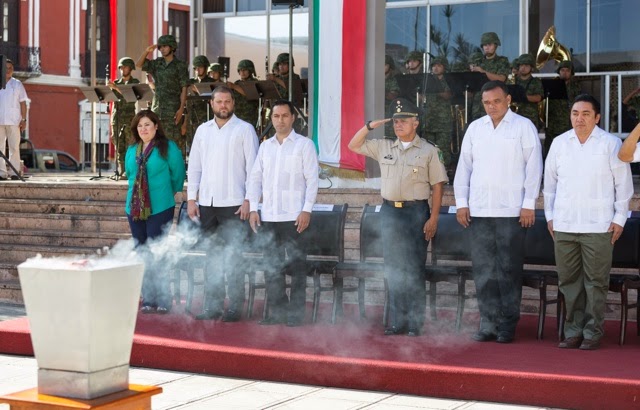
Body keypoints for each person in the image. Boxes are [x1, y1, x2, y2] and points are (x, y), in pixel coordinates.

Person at [348, 99, 448, 337]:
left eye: (404, 121)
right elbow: (353, 145)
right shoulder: (384, 147)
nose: (398, 124)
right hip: (390, 212)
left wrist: (433, 218)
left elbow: (438, 187)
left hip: (416, 213)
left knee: (413, 268)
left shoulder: (429, 150)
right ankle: (396, 321)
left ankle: (414, 323)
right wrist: (370, 126)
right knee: (393, 269)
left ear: (416, 123)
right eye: (395, 121)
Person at [453, 81, 542, 344]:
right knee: (483, 270)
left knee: (508, 270)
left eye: (496, 101)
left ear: (508, 100)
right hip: (479, 211)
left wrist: (528, 203)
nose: (491, 106)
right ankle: (488, 322)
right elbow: (464, 167)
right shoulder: (475, 128)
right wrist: (461, 202)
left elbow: (534, 167)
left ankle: (507, 324)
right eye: (486, 102)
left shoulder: (523, 126)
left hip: (511, 212)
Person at [545, 94, 633, 350]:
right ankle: (573, 331)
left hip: (599, 226)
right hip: (565, 225)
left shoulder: (610, 143)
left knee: (595, 282)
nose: (579, 118)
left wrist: (619, 219)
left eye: (585, 114)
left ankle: (593, 332)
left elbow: (623, 186)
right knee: (569, 282)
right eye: (575, 113)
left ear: (597, 117)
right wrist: (550, 217)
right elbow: (549, 184)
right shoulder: (560, 143)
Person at [187, 85, 259, 322]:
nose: (223, 106)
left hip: (235, 204)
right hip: (207, 203)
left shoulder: (245, 130)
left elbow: (254, 170)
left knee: (234, 256)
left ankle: (235, 307)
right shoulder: (202, 131)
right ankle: (213, 305)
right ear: (212, 104)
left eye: (227, 102)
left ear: (233, 104)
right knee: (212, 257)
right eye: (219, 102)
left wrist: (250, 200)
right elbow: (195, 167)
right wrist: (191, 198)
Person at [247, 100, 319, 327]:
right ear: (271, 119)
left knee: (298, 267)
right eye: (276, 116)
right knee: (272, 267)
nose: (280, 120)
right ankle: (277, 311)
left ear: (293, 118)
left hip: (295, 217)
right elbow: (255, 179)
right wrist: (253, 209)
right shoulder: (265, 146)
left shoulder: (304, 145)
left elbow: (312, 180)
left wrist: (307, 209)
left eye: (285, 116)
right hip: (269, 216)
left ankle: (296, 314)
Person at [125, 110, 186, 314]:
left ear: (156, 126)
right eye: (140, 126)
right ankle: (148, 297)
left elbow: (178, 174)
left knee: (156, 251)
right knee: (142, 252)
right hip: (134, 209)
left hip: (160, 206)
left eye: (147, 125)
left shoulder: (168, 148)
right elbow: (130, 176)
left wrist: (170, 191)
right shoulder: (132, 150)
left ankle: (163, 298)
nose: (144, 129)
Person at [136, 34, 189, 153]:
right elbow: (139, 64)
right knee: (157, 144)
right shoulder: (157, 63)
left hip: (173, 110)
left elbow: (184, 88)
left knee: (173, 144)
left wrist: (181, 109)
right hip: (157, 109)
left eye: (165, 46)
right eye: (160, 47)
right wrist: (146, 51)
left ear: (172, 47)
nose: (162, 49)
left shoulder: (180, 65)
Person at [107, 57, 140, 177]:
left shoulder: (135, 82)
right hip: (117, 117)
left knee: (130, 145)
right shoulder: (116, 83)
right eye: (121, 67)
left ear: (130, 68)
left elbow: (130, 95)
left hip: (129, 117)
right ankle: (120, 171)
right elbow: (109, 99)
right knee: (118, 144)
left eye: (125, 67)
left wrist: (115, 88)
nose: (122, 70)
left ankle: (129, 170)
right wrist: (108, 89)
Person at [469, 32, 511, 121]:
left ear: (495, 46)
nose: (487, 47)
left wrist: (483, 71)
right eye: (484, 45)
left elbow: (501, 79)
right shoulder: (478, 61)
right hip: (477, 104)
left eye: (489, 44)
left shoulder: (502, 61)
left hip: (494, 103)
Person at [544, 61, 582, 158]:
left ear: (571, 72)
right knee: (550, 149)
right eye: (562, 70)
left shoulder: (576, 86)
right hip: (553, 122)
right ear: (559, 71)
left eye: (567, 70)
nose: (564, 72)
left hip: (568, 123)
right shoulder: (552, 84)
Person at [0, 59, 28, 180]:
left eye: (10, 68)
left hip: (14, 121)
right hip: (0, 120)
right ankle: (1, 173)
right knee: (0, 148)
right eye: (6, 68)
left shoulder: (17, 84)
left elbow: (23, 103)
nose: (8, 70)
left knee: (14, 147)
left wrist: (24, 120)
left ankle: (14, 172)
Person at [424, 57, 453, 171]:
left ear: (444, 67)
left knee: (442, 150)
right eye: (433, 66)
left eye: (439, 65)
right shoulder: (427, 80)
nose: (435, 68)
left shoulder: (448, 80)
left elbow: (448, 95)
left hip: (443, 122)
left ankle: (443, 170)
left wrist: (435, 88)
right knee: (428, 148)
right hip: (429, 120)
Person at [186, 55, 214, 151]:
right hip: (191, 120)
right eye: (196, 67)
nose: (197, 69)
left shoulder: (212, 83)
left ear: (206, 68)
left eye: (200, 67)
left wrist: (198, 89)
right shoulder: (190, 82)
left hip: (207, 118)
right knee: (192, 146)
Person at [513, 54, 543, 130]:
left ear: (531, 68)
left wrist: (523, 97)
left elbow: (538, 98)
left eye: (526, 65)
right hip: (514, 117)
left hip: (530, 117)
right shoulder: (513, 81)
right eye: (521, 65)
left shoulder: (536, 81)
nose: (523, 68)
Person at [229, 59, 259, 128]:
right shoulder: (237, 83)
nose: (242, 72)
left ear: (250, 71)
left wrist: (234, 87)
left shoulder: (254, 82)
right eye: (240, 70)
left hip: (250, 117)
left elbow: (251, 94)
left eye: (245, 70)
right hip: (237, 116)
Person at [384, 55, 400, 139]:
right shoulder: (376, 78)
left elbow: (392, 96)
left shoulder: (393, 80)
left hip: (389, 114)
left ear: (390, 66)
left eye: (385, 64)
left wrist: (381, 90)